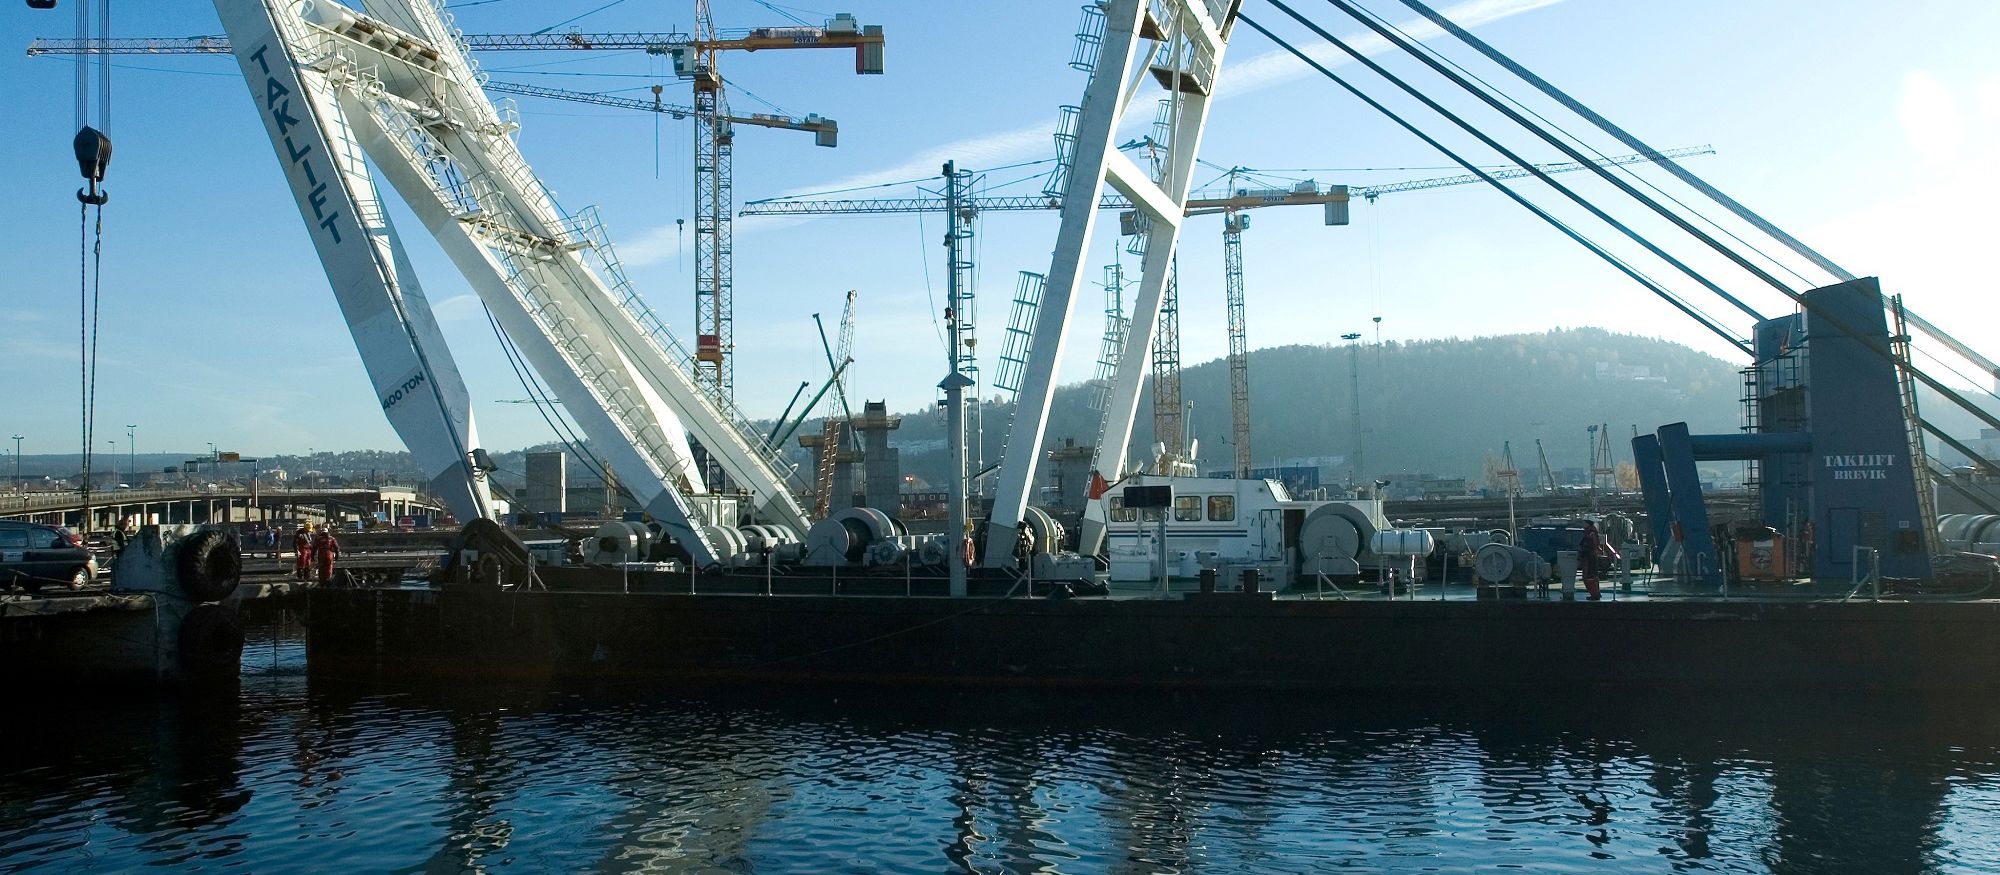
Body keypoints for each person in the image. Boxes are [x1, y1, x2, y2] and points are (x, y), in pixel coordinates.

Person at [1579, 520, 1619, 601]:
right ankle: (1595, 593)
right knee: (1591, 576)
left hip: (1589, 557)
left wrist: (1584, 551)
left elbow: (1590, 545)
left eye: (1584, 523)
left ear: (1588, 524)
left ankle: (1594, 593)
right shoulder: (1591, 533)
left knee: (1589, 576)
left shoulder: (1590, 533)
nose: (1582, 524)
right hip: (1590, 557)